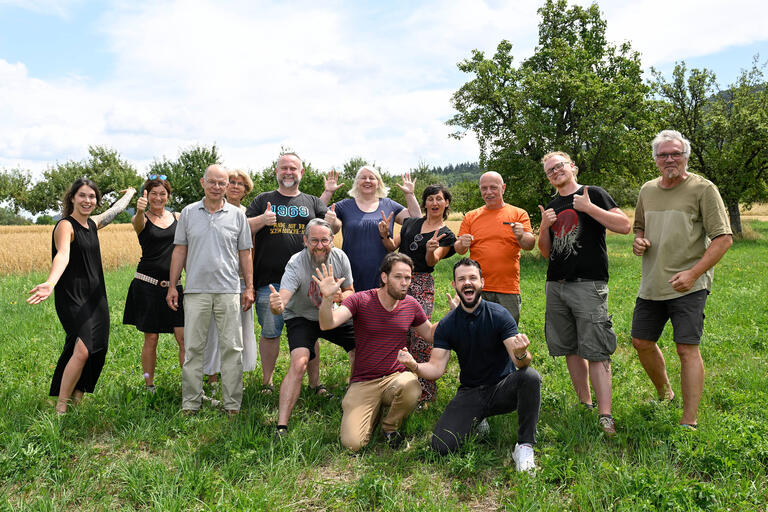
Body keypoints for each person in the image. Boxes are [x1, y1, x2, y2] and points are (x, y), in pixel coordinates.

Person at [397, 258, 541, 472]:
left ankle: (524, 446)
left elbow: (521, 363)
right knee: (441, 446)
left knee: (530, 376)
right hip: (471, 392)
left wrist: (521, 354)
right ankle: (478, 421)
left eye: (473, 278)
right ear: (454, 285)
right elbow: (436, 368)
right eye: (461, 279)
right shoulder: (447, 325)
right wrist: (415, 366)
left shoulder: (500, 315)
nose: (467, 282)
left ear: (482, 282)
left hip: (503, 389)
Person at [631, 130, 732, 429]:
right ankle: (665, 394)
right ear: (655, 160)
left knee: (686, 348)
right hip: (652, 282)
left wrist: (693, 273)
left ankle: (689, 420)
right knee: (641, 341)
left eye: (675, 153)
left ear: (686, 156)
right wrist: (639, 241)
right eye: (663, 155)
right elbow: (639, 227)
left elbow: (723, 239)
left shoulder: (703, 189)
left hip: (689, 283)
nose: (669, 159)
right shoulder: (647, 190)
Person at [537, 152, 631, 436]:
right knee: (570, 347)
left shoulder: (594, 194)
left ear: (573, 167)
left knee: (597, 349)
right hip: (556, 285)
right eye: (549, 171)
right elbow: (546, 252)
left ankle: (605, 414)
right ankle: (585, 404)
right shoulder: (553, 205)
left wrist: (589, 208)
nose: (555, 172)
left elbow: (624, 226)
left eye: (559, 166)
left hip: (588, 284)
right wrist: (544, 225)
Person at [27, 179, 136, 414]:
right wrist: (50, 282)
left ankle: (77, 399)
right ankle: (60, 407)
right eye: (82, 196)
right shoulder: (66, 226)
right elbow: (63, 255)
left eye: (92, 197)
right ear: (72, 198)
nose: (88, 201)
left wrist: (131, 193)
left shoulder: (93, 224)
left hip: (96, 297)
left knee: (98, 349)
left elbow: (115, 211)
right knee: (84, 347)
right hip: (72, 296)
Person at [314, 253, 437, 451]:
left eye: (408, 278)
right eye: (398, 277)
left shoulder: (411, 305)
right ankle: (369, 408)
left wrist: (457, 315)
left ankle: (389, 427)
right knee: (352, 444)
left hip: (395, 378)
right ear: (384, 277)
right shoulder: (360, 300)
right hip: (363, 381)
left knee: (411, 385)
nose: (404, 283)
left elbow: (429, 334)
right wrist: (327, 299)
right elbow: (327, 323)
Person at [167, 164, 254, 415]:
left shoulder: (238, 216)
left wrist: (248, 287)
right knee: (194, 349)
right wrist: (173, 285)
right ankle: (191, 403)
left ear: (228, 186)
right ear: (203, 183)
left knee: (232, 348)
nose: (217, 187)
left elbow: (245, 253)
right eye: (212, 182)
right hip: (196, 292)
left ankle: (232, 404)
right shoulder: (188, 213)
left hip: (229, 291)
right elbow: (180, 250)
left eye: (222, 183)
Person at [245, 153, 332, 395]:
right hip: (270, 281)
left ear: (301, 173)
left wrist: (335, 222)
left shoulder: (312, 202)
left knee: (310, 332)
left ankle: (315, 384)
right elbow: (242, 227)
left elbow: (331, 228)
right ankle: (267, 383)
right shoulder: (263, 200)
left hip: (308, 281)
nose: (288, 172)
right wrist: (262, 219)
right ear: (276, 171)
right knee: (271, 332)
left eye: (293, 168)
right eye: (284, 168)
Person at [268, 219, 356, 435]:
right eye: (314, 240)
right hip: (301, 316)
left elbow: (351, 290)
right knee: (299, 363)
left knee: (360, 348)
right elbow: (284, 299)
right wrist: (277, 305)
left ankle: (355, 400)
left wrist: (340, 295)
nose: (319, 245)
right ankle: (281, 425)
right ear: (305, 241)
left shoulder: (340, 257)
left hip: (331, 314)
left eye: (324, 240)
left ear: (332, 241)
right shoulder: (296, 263)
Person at [378, 184, 456, 406]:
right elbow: (392, 246)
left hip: (421, 281)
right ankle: (396, 385)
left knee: (421, 335)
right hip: (396, 278)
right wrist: (385, 235)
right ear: (425, 203)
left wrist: (431, 250)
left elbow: (433, 261)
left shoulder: (447, 234)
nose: (434, 203)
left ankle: (426, 392)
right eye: (430, 199)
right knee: (394, 330)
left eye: (439, 199)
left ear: (446, 203)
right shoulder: (411, 223)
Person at [123, 175, 185, 393]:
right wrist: (139, 210)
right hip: (147, 286)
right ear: (146, 196)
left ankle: (190, 385)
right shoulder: (140, 219)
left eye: (162, 193)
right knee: (151, 338)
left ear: (168, 195)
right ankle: (149, 384)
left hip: (174, 287)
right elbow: (138, 223)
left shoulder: (178, 217)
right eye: (153, 194)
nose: (158, 198)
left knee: (183, 336)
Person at [203, 169, 259, 396]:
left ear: (246, 190)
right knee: (213, 329)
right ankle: (212, 377)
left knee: (237, 330)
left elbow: (250, 250)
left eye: (241, 184)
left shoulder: (248, 214)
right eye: (232, 182)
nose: (236, 186)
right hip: (215, 279)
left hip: (238, 278)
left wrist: (249, 283)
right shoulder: (213, 209)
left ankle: (233, 376)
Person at [325, 166, 421, 292]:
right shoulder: (345, 205)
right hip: (351, 271)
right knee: (352, 309)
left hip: (383, 272)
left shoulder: (389, 204)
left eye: (372, 178)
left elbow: (416, 219)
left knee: (381, 310)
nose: (367, 180)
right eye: (363, 177)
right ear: (357, 182)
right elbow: (318, 217)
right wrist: (328, 193)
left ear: (378, 183)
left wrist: (409, 194)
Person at [455, 171, 535, 323]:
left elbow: (529, 244)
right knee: (476, 331)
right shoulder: (471, 216)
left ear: (503, 188)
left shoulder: (518, 213)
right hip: (477, 286)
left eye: (493, 187)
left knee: (507, 334)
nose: (488, 192)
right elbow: (459, 249)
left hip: (507, 288)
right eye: (484, 188)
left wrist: (521, 236)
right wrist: (462, 243)